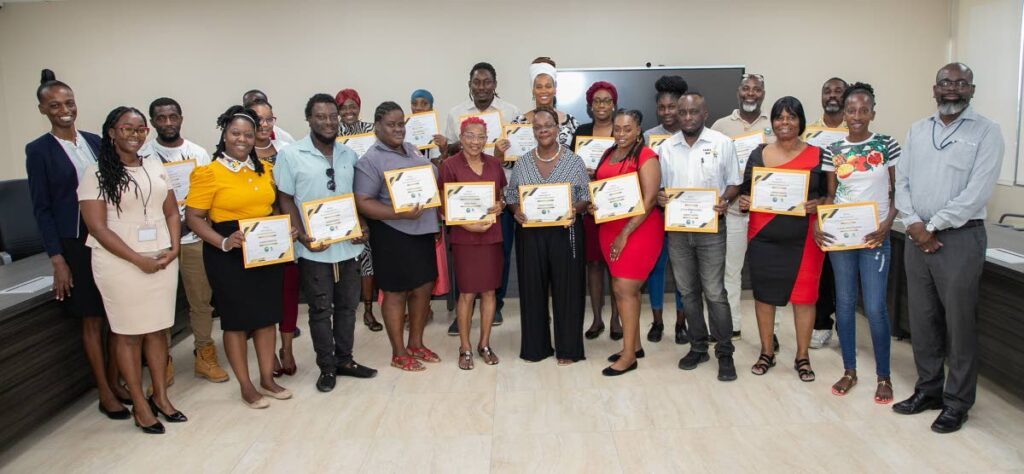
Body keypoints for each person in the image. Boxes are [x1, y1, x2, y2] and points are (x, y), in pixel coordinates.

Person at [893, 63, 1003, 434]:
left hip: (958, 238)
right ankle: (928, 390)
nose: (952, 89)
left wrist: (933, 225)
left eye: (960, 83)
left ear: (971, 89)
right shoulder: (918, 130)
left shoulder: (987, 132)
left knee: (959, 324)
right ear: (934, 88)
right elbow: (902, 182)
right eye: (946, 83)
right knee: (922, 321)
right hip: (916, 236)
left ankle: (957, 402)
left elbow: (978, 192)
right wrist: (913, 223)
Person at [26, 69, 132, 420]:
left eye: (69, 102)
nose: (64, 109)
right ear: (43, 109)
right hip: (75, 243)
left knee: (115, 316)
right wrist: (57, 259)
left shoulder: (94, 141)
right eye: (54, 105)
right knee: (91, 319)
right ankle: (104, 391)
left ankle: (118, 381)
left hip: (109, 238)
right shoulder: (39, 151)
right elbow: (41, 208)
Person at [79, 106, 186, 434]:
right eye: (127, 128)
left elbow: (170, 211)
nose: (135, 134)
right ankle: (140, 404)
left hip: (161, 259)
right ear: (111, 132)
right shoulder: (95, 172)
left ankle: (161, 397)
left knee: (157, 331)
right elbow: (98, 228)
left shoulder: (154, 165)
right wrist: (138, 259)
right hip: (120, 264)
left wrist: (174, 247)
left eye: (140, 129)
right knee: (128, 334)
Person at [185, 106, 293, 409]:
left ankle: (267, 379)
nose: (242, 139)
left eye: (248, 133)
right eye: (235, 133)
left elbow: (271, 209)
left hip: (264, 250)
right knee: (236, 322)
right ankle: (246, 386)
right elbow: (193, 218)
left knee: (266, 316)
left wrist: (283, 232)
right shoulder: (208, 173)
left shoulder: (264, 170)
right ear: (224, 134)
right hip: (227, 252)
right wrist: (223, 242)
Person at [274, 93, 378, 392]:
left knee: (348, 307)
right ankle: (327, 366)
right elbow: (285, 198)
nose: (329, 122)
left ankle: (345, 360)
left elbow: (357, 198)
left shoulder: (349, 155)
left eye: (333, 116)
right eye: (321, 117)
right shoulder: (291, 155)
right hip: (314, 248)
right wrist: (302, 237)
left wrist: (363, 225)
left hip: (348, 246)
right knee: (321, 309)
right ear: (309, 119)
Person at [815, 82, 900, 403]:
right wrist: (820, 223)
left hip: (875, 237)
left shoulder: (887, 144)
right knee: (846, 304)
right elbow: (830, 193)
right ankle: (850, 370)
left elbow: (898, 191)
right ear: (845, 113)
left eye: (864, 110)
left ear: (873, 113)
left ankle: (884, 376)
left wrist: (886, 227)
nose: (857, 116)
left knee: (876, 308)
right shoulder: (833, 150)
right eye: (852, 110)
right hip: (842, 238)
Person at [738, 96, 827, 382]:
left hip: (805, 238)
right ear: (772, 122)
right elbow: (746, 192)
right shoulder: (758, 154)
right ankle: (767, 352)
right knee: (764, 297)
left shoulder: (818, 154)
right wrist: (744, 200)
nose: (784, 122)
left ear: (801, 121)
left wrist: (820, 204)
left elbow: (829, 195)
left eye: (791, 117)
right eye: (779, 117)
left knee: (804, 298)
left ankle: (802, 356)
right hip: (764, 236)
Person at [140, 97, 228, 384]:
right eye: (161, 118)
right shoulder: (143, 155)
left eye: (172, 117)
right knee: (161, 303)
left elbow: (211, 197)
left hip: (193, 239)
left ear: (181, 118)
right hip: (159, 242)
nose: (167, 123)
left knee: (201, 300)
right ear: (152, 122)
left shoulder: (198, 153)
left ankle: (204, 354)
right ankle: (161, 360)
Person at [656, 92, 739, 381]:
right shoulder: (666, 148)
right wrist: (661, 198)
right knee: (687, 291)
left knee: (715, 292)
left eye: (694, 112)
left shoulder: (723, 143)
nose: (688, 117)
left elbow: (734, 184)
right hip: (678, 231)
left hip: (712, 228)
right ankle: (698, 346)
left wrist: (726, 200)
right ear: (676, 116)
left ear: (705, 113)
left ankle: (725, 352)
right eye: (683, 112)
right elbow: (661, 189)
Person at [353, 102, 441, 372]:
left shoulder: (412, 149)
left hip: (422, 231)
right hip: (393, 234)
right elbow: (363, 201)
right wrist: (398, 213)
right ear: (377, 126)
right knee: (395, 293)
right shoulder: (371, 159)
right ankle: (398, 352)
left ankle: (416, 343)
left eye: (401, 123)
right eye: (391, 124)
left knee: (423, 287)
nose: (398, 129)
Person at [505, 107, 589, 365]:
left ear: (558, 128)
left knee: (568, 290)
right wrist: (516, 210)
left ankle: (568, 349)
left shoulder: (574, 161)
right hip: (531, 234)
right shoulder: (522, 162)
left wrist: (571, 209)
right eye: (538, 126)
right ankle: (536, 347)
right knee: (532, 290)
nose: (543, 129)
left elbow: (585, 198)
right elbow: (511, 197)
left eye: (549, 125)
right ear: (533, 131)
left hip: (566, 232)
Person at [444, 62, 521, 334]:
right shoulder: (454, 114)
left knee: (500, 252)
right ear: (470, 84)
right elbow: (449, 155)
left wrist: (502, 154)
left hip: (499, 196)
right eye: (477, 82)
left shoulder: (511, 112)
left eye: (487, 82)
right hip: (464, 199)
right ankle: (463, 308)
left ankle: (496, 303)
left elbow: (519, 154)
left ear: (495, 84)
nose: (482, 87)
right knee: (463, 257)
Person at [590, 109, 662, 376]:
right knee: (621, 288)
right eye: (617, 128)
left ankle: (629, 356)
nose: (621, 133)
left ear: (638, 129)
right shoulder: (609, 153)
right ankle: (635, 345)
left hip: (638, 230)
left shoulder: (646, 156)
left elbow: (650, 199)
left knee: (625, 288)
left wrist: (625, 234)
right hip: (609, 228)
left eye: (627, 129)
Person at [710, 73, 780, 350]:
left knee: (768, 274)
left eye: (757, 89)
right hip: (735, 212)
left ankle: (771, 331)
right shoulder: (721, 126)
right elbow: (715, 168)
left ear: (763, 93)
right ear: (738, 91)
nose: (751, 93)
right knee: (731, 271)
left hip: (767, 212)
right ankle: (733, 325)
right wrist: (730, 196)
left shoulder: (776, 124)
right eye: (746, 88)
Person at [438, 117, 506, 369]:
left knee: (489, 292)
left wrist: (500, 205)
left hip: (491, 236)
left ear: (486, 139)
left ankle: (484, 343)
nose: (475, 142)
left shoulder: (494, 164)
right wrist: (467, 225)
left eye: (480, 137)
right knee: (466, 293)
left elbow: (502, 196)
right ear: (461, 136)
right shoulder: (449, 165)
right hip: (465, 238)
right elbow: (445, 206)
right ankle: (465, 347)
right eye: (470, 135)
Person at [249, 100, 300, 378]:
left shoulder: (286, 151)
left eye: (269, 120)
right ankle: (267, 355)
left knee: (288, 293)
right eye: (258, 120)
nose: (265, 125)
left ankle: (288, 349)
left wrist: (292, 225)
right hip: (255, 238)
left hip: (285, 233)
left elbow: (291, 195)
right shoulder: (240, 155)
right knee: (263, 297)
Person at [642, 75, 688, 344]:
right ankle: (657, 321)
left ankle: (681, 323)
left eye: (672, 107)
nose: (667, 112)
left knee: (682, 271)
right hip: (656, 214)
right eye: (662, 107)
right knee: (656, 269)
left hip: (684, 214)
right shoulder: (648, 136)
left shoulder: (690, 134)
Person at [573, 81, 620, 341]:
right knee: (593, 264)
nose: (602, 105)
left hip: (616, 207)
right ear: (590, 106)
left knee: (614, 264)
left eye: (607, 100)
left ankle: (615, 318)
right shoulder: (581, 132)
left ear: (613, 104)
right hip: (590, 207)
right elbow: (570, 167)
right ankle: (597, 319)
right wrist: (584, 171)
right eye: (597, 101)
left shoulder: (622, 130)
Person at [336, 88, 384, 333]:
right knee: (345, 258)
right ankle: (342, 308)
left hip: (371, 196)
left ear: (359, 107)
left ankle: (368, 310)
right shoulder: (331, 132)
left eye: (352, 106)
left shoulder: (371, 130)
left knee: (369, 257)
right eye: (343, 108)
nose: (348, 112)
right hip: (342, 201)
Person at [807, 77, 847, 350]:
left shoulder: (857, 129)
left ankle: (846, 328)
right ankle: (821, 325)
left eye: (838, 91)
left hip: (850, 211)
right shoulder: (808, 133)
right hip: (819, 209)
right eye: (827, 91)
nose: (832, 96)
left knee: (844, 273)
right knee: (821, 273)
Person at [509, 57, 580, 148]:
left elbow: (579, 158)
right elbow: (510, 160)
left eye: (548, 86)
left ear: (555, 89)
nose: (543, 91)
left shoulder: (571, 123)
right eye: (539, 87)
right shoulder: (518, 123)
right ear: (533, 90)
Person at [409, 89, 448, 163]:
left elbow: (438, 165)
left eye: (424, 104)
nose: (418, 108)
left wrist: (444, 151)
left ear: (431, 108)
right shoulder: (404, 131)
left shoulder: (438, 132)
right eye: (414, 104)